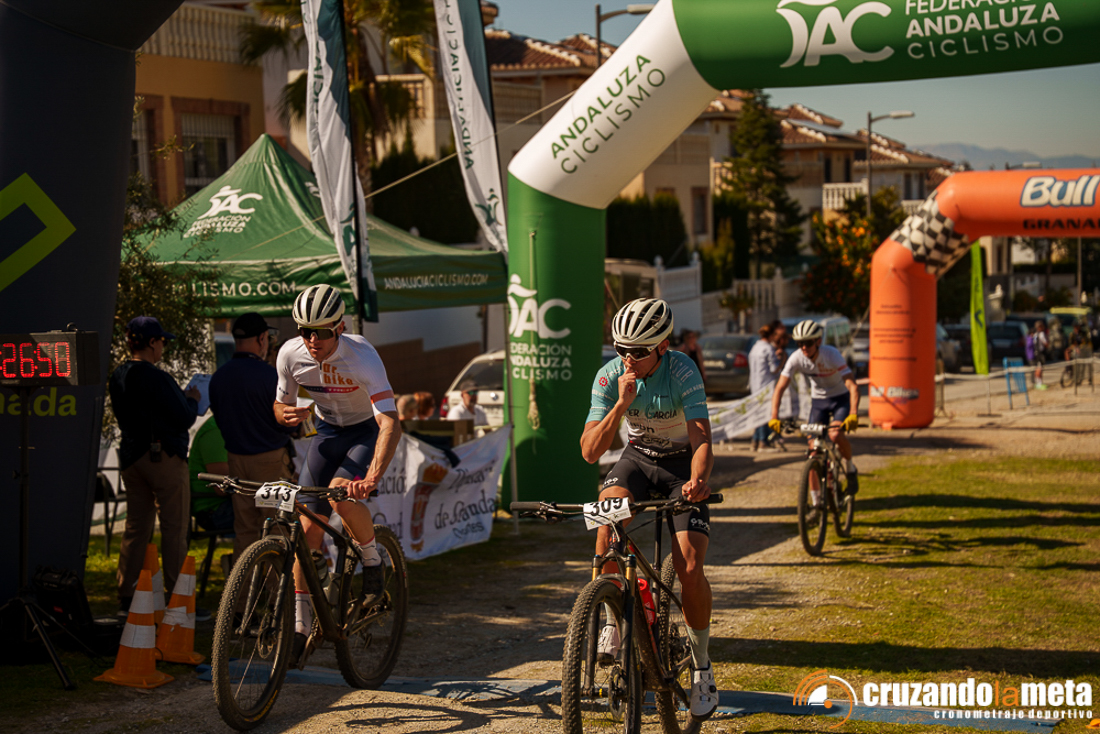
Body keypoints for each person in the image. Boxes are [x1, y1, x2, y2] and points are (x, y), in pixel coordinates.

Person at [580, 297, 719, 720]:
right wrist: (621, 405)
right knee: (606, 522)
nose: (628, 358)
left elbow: (701, 439)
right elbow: (590, 452)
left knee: (689, 566)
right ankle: (611, 619)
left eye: (638, 351)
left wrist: (697, 480)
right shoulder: (610, 376)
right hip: (638, 459)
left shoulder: (683, 371)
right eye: (620, 348)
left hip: (680, 466)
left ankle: (702, 665)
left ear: (662, 346)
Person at [274, 284, 402, 661]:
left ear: (340, 327)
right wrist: (286, 415)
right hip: (327, 433)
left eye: (322, 332)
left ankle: (372, 559)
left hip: (363, 432)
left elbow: (390, 422)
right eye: (305, 331)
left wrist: (373, 477)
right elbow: (279, 407)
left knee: (341, 496)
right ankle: (300, 625)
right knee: (307, 530)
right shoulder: (290, 354)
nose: (313, 340)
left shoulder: (362, 356)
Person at [108, 316, 200, 616]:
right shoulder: (156, 377)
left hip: (132, 457)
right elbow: (184, 416)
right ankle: (178, 598)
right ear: (151, 342)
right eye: (161, 341)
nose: (163, 347)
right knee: (174, 528)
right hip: (163, 457)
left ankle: (126, 594)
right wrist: (192, 399)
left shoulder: (119, 374)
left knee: (136, 526)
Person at [209, 313, 297, 567]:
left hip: (237, 461)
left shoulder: (219, 377)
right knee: (277, 528)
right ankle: (274, 591)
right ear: (261, 339)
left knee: (245, 530)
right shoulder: (269, 376)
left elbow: (219, 419)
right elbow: (288, 421)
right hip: (270, 461)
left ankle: (242, 590)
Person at [768, 319, 860, 492]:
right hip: (819, 402)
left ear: (818, 341)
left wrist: (853, 413)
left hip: (840, 399)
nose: (804, 347)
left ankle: (850, 469)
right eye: (800, 343)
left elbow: (852, 385)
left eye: (808, 343)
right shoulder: (796, 358)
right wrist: (774, 417)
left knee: (834, 434)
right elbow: (779, 388)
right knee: (813, 451)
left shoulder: (831, 354)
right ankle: (816, 501)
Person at [748, 320, 787, 451]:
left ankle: (755, 441)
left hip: (755, 385)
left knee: (758, 414)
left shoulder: (755, 347)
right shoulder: (768, 348)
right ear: (771, 335)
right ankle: (763, 442)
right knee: (765, 415)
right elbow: (774, 369)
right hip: (766, 386)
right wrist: (782, 360)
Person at [1026, 321, 1049, 390]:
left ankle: (1038, 382)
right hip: (1040, 353)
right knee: (1040, 368)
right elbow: (1045, 343)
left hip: (1036, 353)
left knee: (1037, 368)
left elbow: (1034, 342)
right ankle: (1039, 383)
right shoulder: (1041, 334)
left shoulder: (1035, 334)